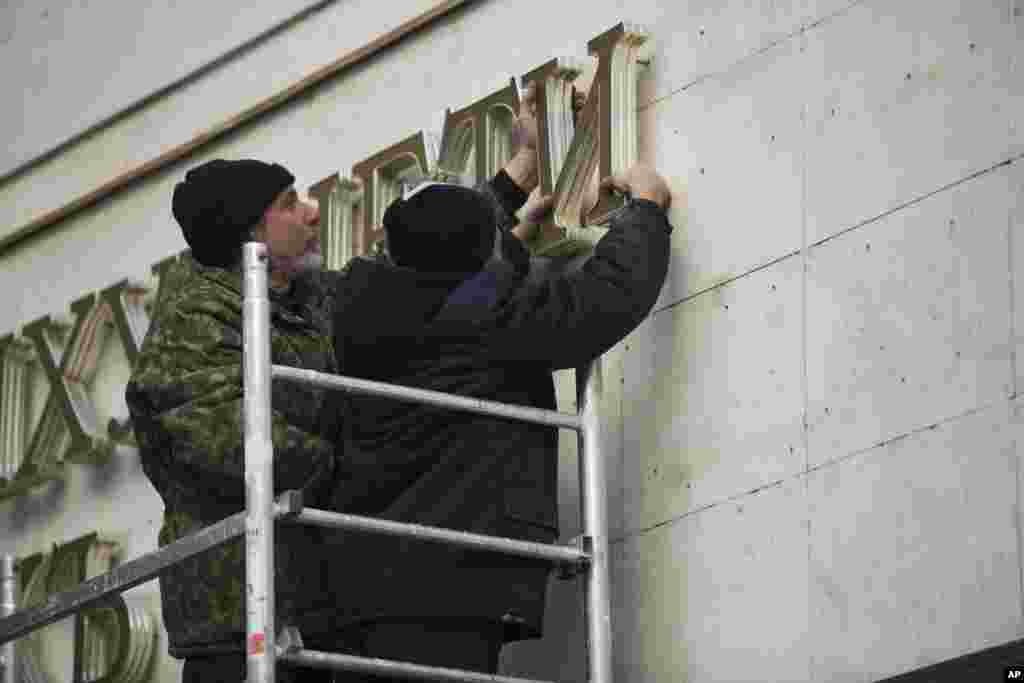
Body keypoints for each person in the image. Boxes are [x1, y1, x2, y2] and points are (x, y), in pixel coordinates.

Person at [327, 90, 673, 677]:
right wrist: (645, 208)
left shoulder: (369, 301)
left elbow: (449, 265)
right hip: (442, 583)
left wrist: (517, 189)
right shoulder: (482, 317)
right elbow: (599, 302)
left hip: (372, 584)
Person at [125, 158, 344, 682]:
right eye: (290, 203)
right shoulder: (195, 318)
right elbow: (230, 440)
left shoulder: (302, 298)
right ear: (249, 230)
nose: (313, 213)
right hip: (236, 617)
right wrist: (351, 464)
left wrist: (511, 191)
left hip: (309, 606)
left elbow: (417, 283)